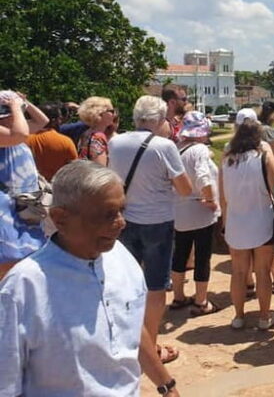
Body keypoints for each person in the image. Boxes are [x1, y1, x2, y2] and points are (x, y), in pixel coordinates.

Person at [0, 160, 180, 396]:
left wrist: (166, 386)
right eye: (106, 215)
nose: (121, 223)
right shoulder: (23, 288)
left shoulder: (122, 258)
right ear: (60, 218)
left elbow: (131, 327)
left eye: (121, 211)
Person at [108, 95, 193, 364]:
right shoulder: (164, 147)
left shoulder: (115, 142)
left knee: (126, 284)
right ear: (159, 119)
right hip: (157, 221)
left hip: (125, 220)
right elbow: (184, 188)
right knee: (156, 286)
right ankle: (150, 347)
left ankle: (128, 343)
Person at [219, 118, 274, 330]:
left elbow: (222, 196)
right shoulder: (263, 156)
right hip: (262, 219)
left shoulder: (226, 159)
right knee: (263, 271)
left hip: (236, 221)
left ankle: (238, 315)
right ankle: (264, 316)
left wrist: (225, 221)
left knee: (238, 272)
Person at [170, 111, 220, 317]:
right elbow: (203, 177)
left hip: (178, 210)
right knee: (202, 256)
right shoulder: (199, 150)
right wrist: (211, 200)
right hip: (199, 209)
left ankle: (178, 296)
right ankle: (201, 300)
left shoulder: (175, 149)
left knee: (180, 253)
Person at [0, 91, 49, 280]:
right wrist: (14, 106)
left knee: (24, 256)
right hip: (5, 207)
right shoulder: (12, 134)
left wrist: (24, 102)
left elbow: (42, 121)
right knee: (8, 258)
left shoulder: (12, 131)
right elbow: (20, 134)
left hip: (23, 204)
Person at [24, 101, 78, 181]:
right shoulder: (65, 141)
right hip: (57, 185)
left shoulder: (23, 139)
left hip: (31, 184)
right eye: (59, 118)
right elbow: (74, 167)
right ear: (54, 120)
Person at [76, 96, 115, 165]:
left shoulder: (85, 134)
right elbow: (101, 169)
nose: (114, 114)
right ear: (100, 114)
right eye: (111, 111)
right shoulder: (98, 137)